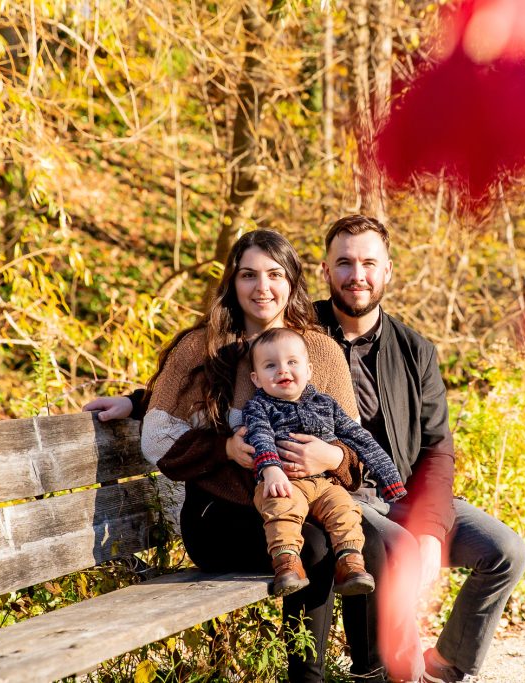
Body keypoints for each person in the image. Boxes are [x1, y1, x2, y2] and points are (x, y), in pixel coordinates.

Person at [88, 229, 364, 683]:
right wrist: (225, 448)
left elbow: (353, 448)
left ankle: (371, 672)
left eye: (275, 274)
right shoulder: (201, 347)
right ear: (231, 283)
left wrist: (330, 456)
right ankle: (307, 679)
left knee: (351, 541)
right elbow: (160, 433)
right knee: (313, 547)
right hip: (219, 516)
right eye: (248, 275)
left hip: (301, 502)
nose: (263, 287)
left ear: (293, 281)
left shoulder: (320, 352)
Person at [310, 215, 525, 683]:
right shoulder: (299, 337)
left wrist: (432, 530)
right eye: (344, 263)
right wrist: (140, 401)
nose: (357, 275)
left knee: (505, 550)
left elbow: (437, 449)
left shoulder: (415, 350)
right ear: (325, 270)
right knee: (400, 552)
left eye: (369, 262)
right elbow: (226, 374)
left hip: (401, 496)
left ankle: (446, 667)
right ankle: (399, 673)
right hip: (336, 497)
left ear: (388, 270)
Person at [243, 327, 407, 596]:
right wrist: (270, 469)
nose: (282, 370)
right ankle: (287, 563)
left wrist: (390, 479)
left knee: (345, 509)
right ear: (256, 378)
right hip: (285, 482)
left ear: (308, 370)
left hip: (324, 483)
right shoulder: (259, 406)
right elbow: (259, 435)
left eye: (292, 362)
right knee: (281, 508)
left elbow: (360, 438)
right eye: (270, 366)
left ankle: (350, 563)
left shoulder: (326, 404)